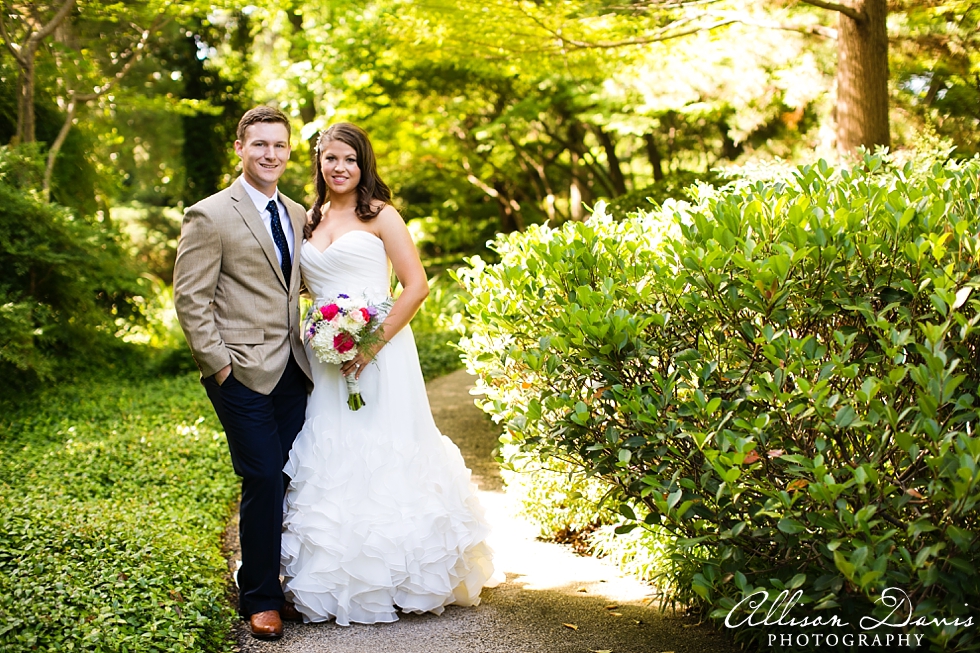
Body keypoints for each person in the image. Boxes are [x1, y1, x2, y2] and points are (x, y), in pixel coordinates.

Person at [280, 122, 500, 625]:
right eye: (331, 158)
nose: (340, 168)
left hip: (382, 354)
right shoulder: (306, 219)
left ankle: (403, 576)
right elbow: (308, 291)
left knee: (388, 448)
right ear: (318, 162)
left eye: (350, 160)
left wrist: (370, 343)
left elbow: (416, 285)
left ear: (364, 165)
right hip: (327, 358)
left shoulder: (381, 215)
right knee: (332, 447)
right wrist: (327, 332)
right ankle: (335, 577)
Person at [173, 105, 312, 640]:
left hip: (293, 368)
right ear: (240, 148)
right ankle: (259, 597)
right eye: (259, 145)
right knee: (260, 475)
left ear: (289, 151)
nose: (270, 154)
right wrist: (219, 366)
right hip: (240, 371)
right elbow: (190, 299)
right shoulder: (209, 214)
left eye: (278, 145)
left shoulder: (299, 213)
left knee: (288, 476)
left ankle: (279, 580)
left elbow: (296, 288)